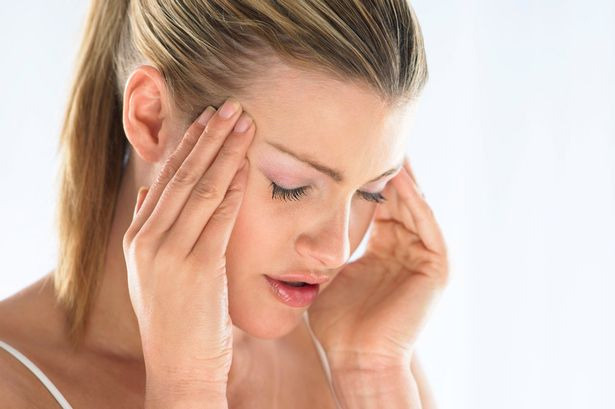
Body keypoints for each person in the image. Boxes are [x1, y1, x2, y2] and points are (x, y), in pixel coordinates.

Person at [0, 0, 449, 407]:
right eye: (290, 186)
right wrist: (186, 387)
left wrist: (372, 376)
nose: (337, 251)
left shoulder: (362, 357)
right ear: (152, 117)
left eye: (371, 192)